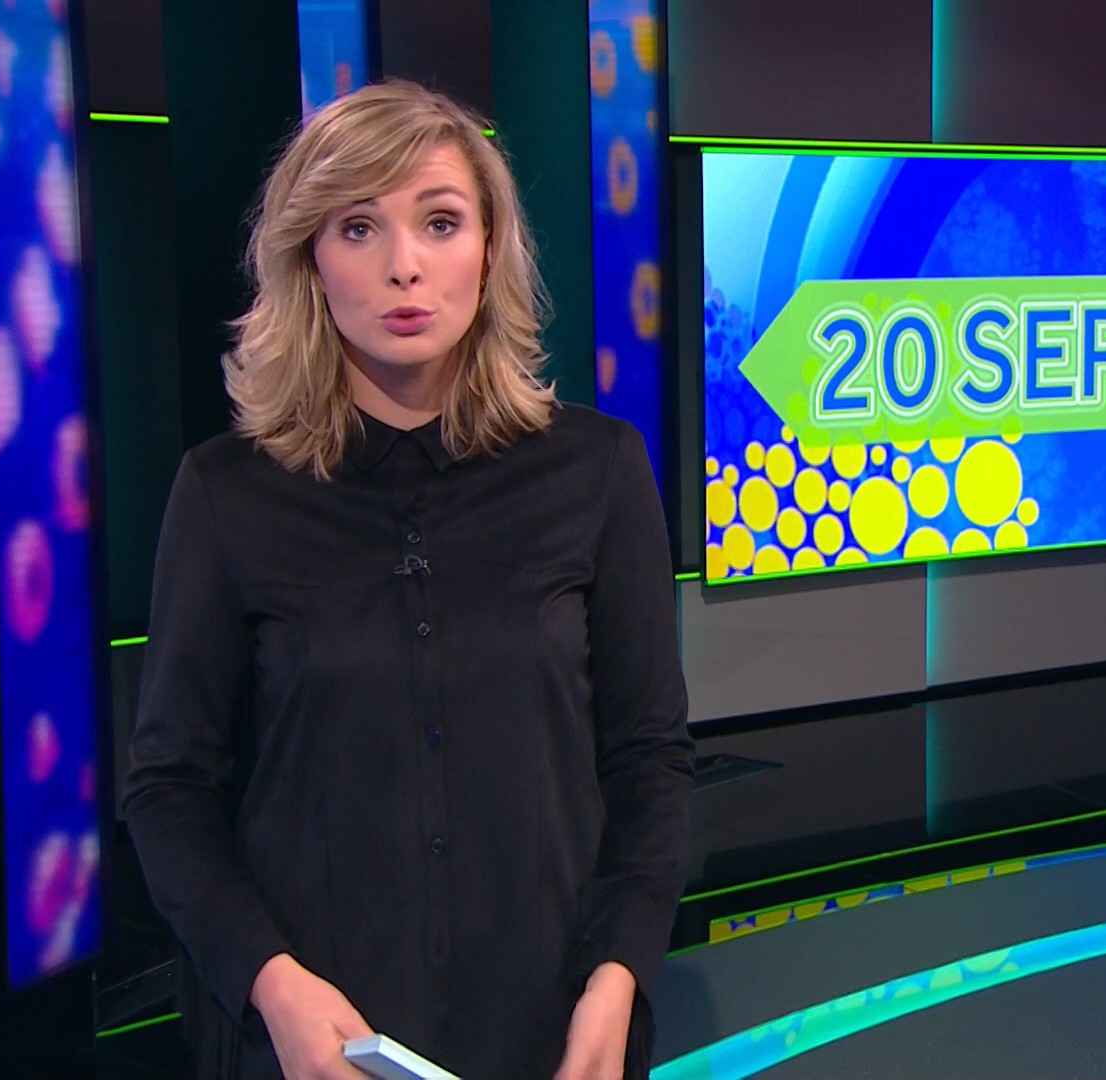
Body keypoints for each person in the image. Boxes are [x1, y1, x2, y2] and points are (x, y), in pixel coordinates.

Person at [121, 80, 694, 1080]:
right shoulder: (226, 495)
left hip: (554, 1035)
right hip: (309, 1046)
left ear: (489, 250)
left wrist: (620, 980)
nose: (404, 266)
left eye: (439, 222)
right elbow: (168, 791)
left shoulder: (597, 472)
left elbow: (649, 760)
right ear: (308, 260)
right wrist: (271, 986)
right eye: (358, 228)